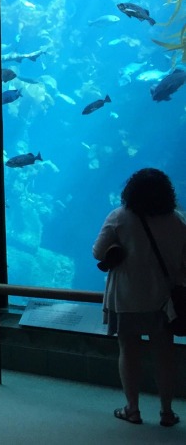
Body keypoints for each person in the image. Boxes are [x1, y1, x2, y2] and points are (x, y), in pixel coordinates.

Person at [93, 168, 186, 428]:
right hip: (164, 301)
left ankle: (132, 409)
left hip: (126, 298)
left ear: (130, 190)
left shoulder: (119, 217)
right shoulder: (178, 220)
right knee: (165, 356)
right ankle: (167, 412)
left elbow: (98, 252)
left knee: (129, 351)